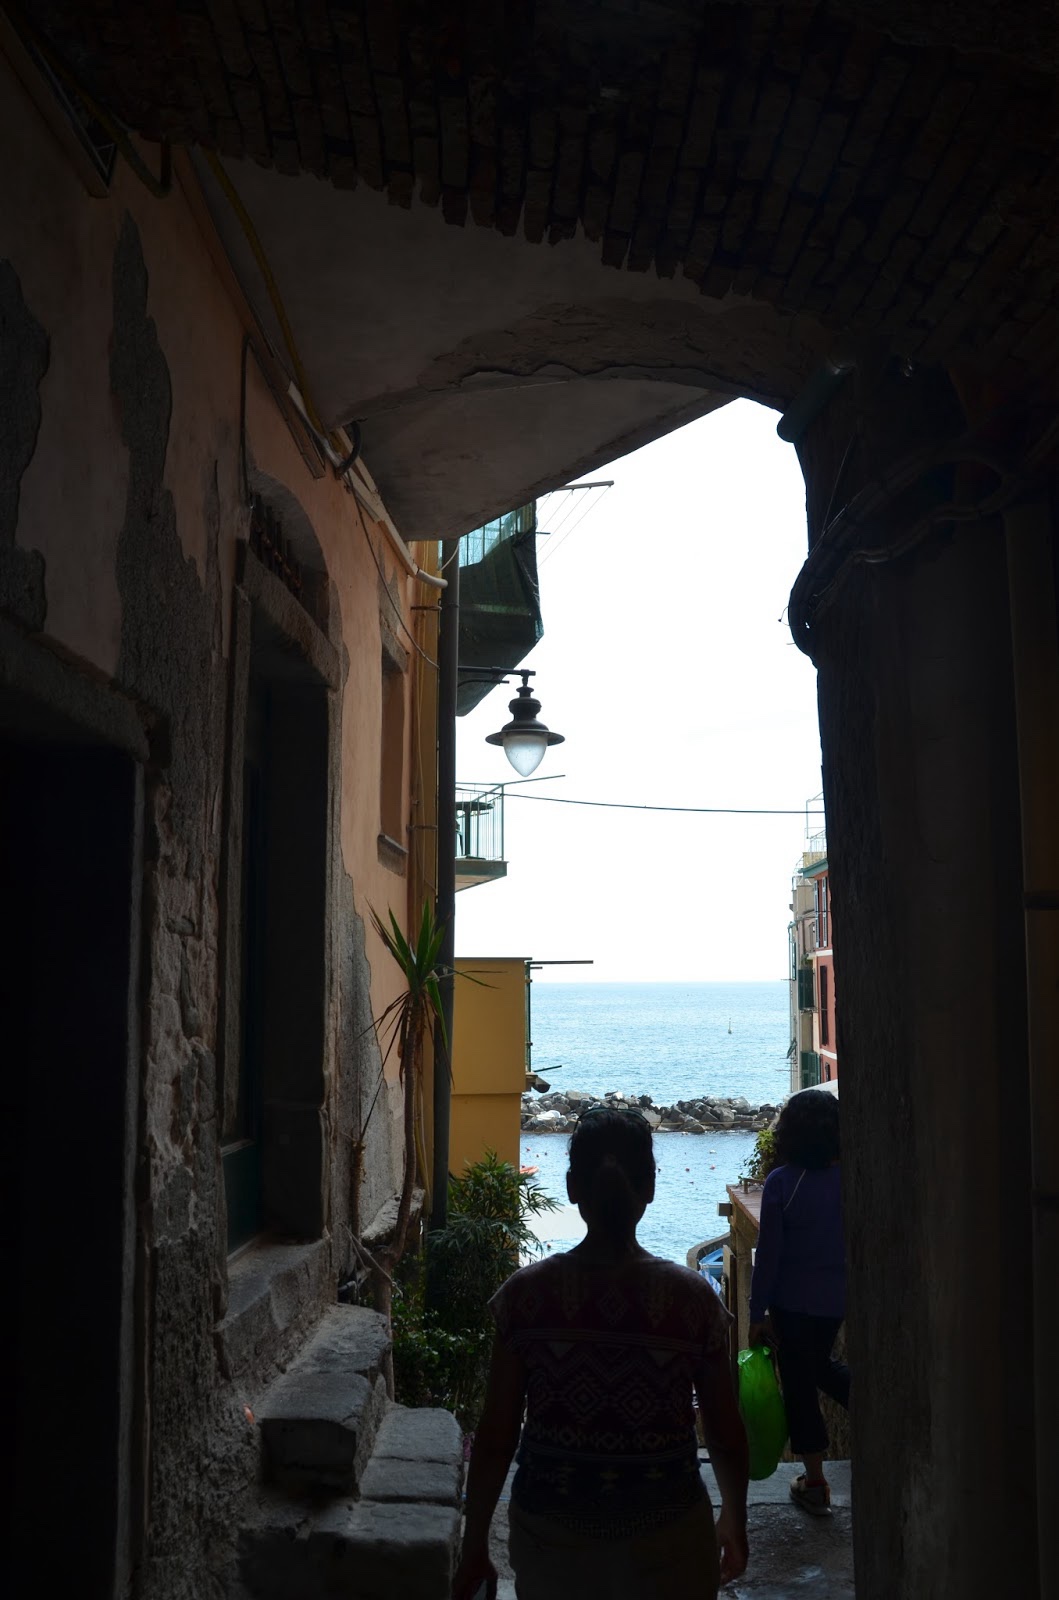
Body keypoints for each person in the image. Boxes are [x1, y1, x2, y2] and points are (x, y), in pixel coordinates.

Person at [452, 1107, 749, 1600]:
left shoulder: (525, 1296)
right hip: (669, 1539)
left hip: (553, 1541)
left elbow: (497, 1435)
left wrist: (474, 1543)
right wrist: (735, 1520)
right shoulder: (694, 1299)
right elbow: (724, 1432)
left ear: (573, 1188)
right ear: (650, 1187)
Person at [748, 1087, 850, 1515]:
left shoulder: (783, 1183)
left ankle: (815, 1482)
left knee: (799, 1389)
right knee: (819, 1367)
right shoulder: (849, 1180)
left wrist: (756, 1313)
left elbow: (769, 1256)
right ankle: (881, 1411)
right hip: (834, 1303)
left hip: (791, 1305)